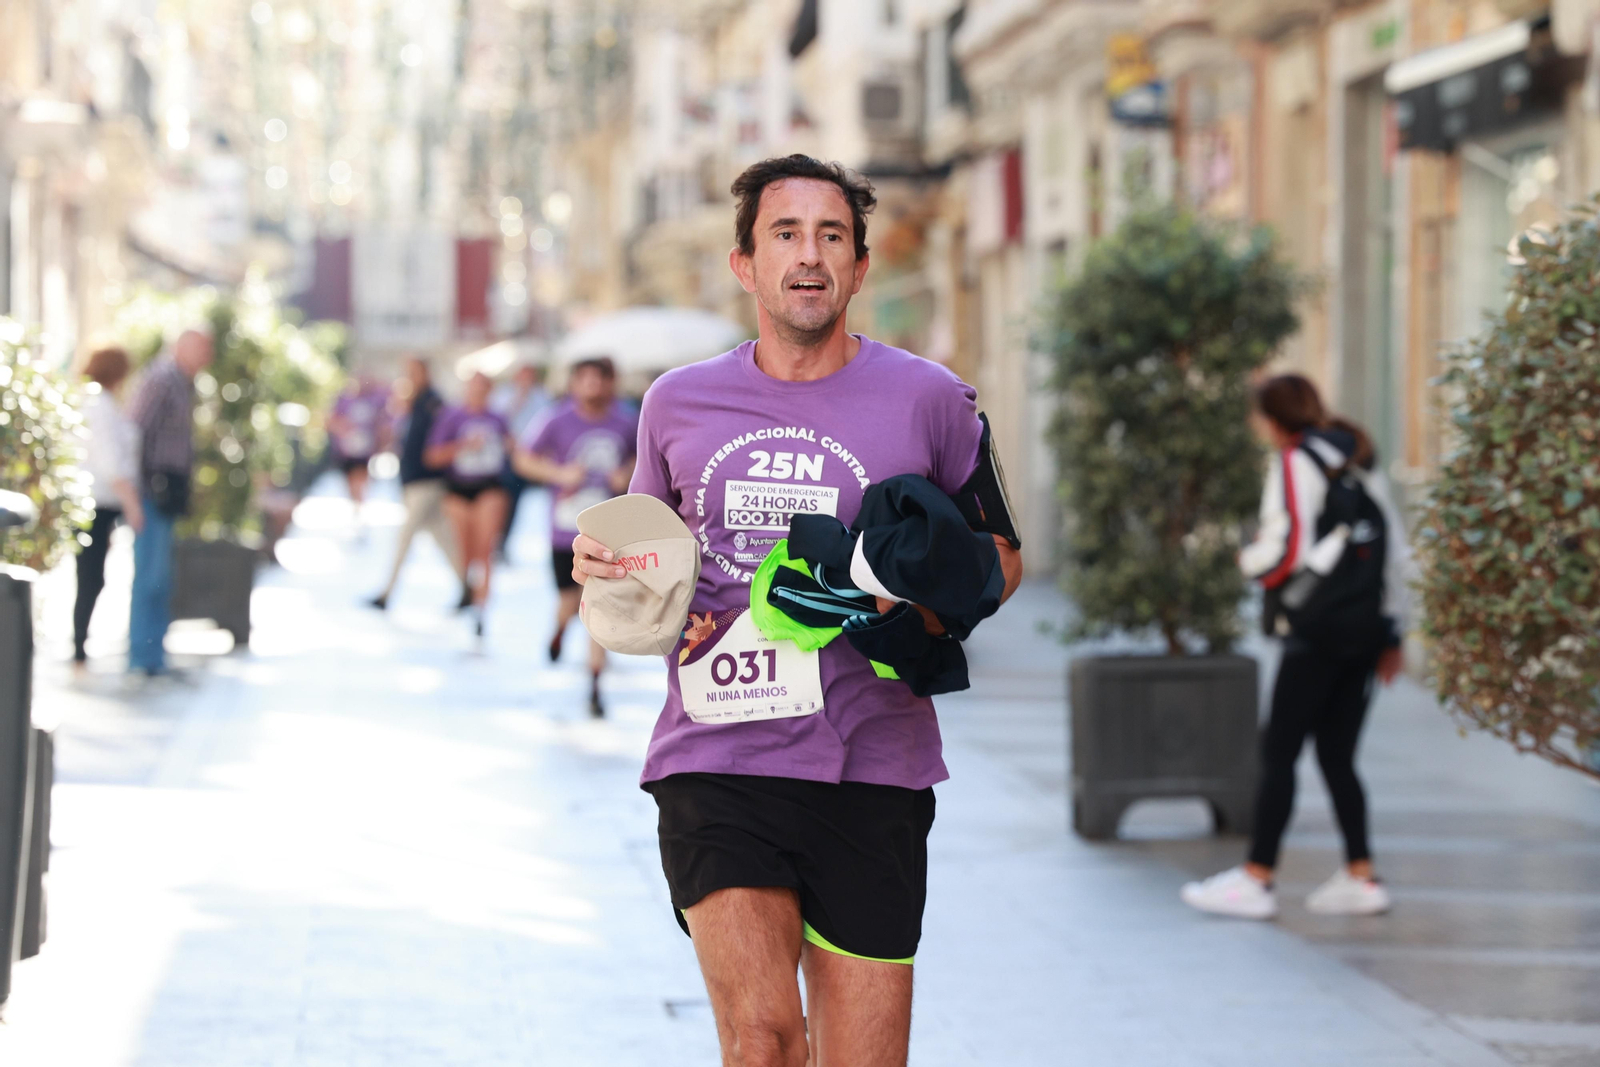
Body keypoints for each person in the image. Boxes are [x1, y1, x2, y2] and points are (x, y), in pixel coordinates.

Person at [567, 155, 1023, 1067]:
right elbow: (648, 550)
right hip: (717, 754)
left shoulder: (932, 399)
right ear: (745, 264)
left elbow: (1000, 559)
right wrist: (605, 563)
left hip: (875, 763)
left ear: (858, 266)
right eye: (785, 234)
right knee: (763, 1039)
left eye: (831, 237)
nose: (809, 256)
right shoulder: (677, 402)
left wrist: (911, 602)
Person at [1182, 374, 1411, 921]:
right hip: (1364, 630)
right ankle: (1362, 876)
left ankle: (1257, 879)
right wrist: (1393, 631)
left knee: (1278, 752)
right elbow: (1396, 551)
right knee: (1337, 754)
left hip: (1314, 630)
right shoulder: (1357, 459)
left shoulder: (1293, 461)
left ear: (1272, 417)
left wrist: (1246, 561)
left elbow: (1287, 550)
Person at [513, 357, 635, 718]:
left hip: (610, 532)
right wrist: (559, 473)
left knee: (601, 606)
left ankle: (595, 682)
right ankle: (560, 629)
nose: (593, 387)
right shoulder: (555, 419)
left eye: (600, 380)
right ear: (573, 383)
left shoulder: (627, 421)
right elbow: (523, 458)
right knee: (570, 601)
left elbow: (645, 459)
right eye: (585, 379)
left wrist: (625, 474)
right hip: (566, 530)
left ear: (611, 383)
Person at [128, 328, 213, 677]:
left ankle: (154, 657)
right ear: (181, 348)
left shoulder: (184, 382)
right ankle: (141, 658)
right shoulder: (161, 379)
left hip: (170, 494)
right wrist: (133, 493)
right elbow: (134, 431)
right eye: (201, 349)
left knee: (162, 577)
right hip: (151, 492)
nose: (206, 357)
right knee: (150, 576)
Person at [368, 357, 470, 612]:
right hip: (416, 481)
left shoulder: (432, 403)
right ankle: (468, 588)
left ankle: (386, 594)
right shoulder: (417, 402)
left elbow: (435, 443)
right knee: (444, 540)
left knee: (405, 539)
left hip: (426, 482)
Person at [425, 372, 514, 640]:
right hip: (458, 488)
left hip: (489, 487)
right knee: (466, 553)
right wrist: (463, 446)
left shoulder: (497, 419)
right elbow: (432, 456)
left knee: (486, 550)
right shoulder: (452, 417)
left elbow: (513, 451)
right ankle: (467, 591)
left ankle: (481, 611)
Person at [73, 346, 144, 668]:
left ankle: (80, 645)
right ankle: (78, 648)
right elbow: (110, 463)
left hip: (101, 505)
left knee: (92, 576)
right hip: (95, 505)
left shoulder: (102, 404)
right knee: (90, 577)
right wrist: (133, 506)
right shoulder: (98, 406)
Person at [491, 363, 552, 560]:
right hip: (509, 458)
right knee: (507, 501)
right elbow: (498, 422)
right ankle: (498, 541)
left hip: (531, 456)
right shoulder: (504, 395)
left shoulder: (542, 397)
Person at [327, 376, 390, 535]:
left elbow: (383, 422)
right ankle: (356, 511)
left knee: (359, 483)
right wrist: (345, 428)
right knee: (351, 486)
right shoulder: (344, 401)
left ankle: (359, 513)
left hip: (364, 453)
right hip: (347, 452)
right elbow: (331, 421)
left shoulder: (374, 401)